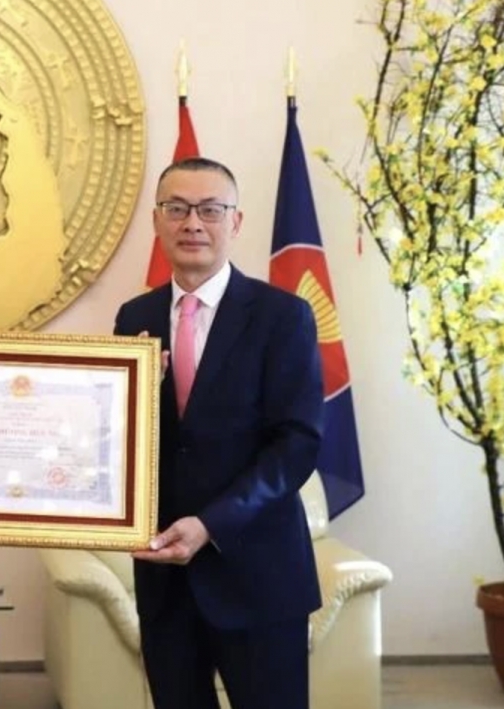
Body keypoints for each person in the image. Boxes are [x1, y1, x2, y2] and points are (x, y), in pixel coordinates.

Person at [114, 157, 325, 709]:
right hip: (165, 577)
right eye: (177, 209)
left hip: (258, 571)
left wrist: (211, 524)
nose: (193, 223)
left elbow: (297, 443)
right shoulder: (131, 317)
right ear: (157, 221)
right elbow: (117, 435)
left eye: (210, 209)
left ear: (235, 222)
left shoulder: (284, 316)